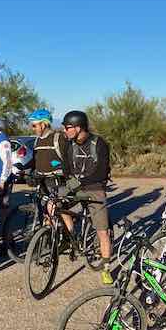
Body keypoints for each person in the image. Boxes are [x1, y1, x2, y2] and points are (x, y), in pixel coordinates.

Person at [60, 110, 114, 285]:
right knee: (54, 204)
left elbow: (101, 171)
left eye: (68, 127)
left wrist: (80, 181)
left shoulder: (99, 143)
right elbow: (66, 167)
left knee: (102, 231)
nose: (65, 131)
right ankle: (72, 238)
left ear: (79, 127)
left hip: (94, 188)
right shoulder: (70, 144)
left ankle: (106, 268)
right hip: (75, 186)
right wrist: (68, 181)